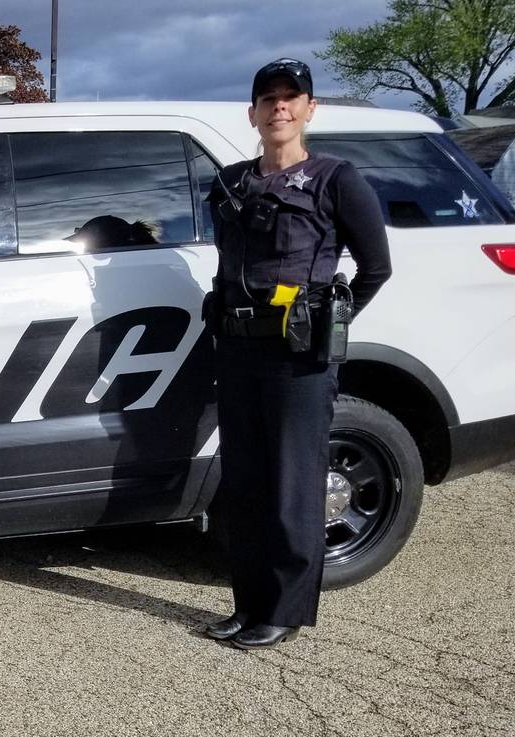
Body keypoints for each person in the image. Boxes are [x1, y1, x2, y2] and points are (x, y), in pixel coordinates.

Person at [202, 59, 392, 649]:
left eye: (292, 97)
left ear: (310, 109)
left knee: (292, 485)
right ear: (252, 113)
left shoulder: (337, 179)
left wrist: (329, 321)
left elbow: (376, 267)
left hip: (299, 359)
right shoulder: (230, 183)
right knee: (246, 483)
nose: (279, 107)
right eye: (269, 99)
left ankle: (282, 610)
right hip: (237, 351)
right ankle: (248, 605)